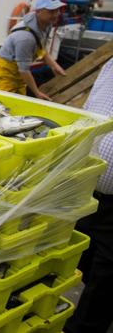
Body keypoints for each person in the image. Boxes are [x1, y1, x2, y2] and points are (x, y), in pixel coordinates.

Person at [65, 59, 113, 333]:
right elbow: (90, 113)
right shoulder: (110, 66)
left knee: (105, 282)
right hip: (86, 189)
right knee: (77, 257)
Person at [0, 0, 66, 100]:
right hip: (4, 73)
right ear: (38, 12)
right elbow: (24, 70)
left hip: (18, 74)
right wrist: (37, 93)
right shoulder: (25, 38)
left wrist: (54, 65)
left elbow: (41, 49)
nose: (55, 14)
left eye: (57, 10)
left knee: (19, 103)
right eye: (51, 11)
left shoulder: (47, 24)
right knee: (2, 105)